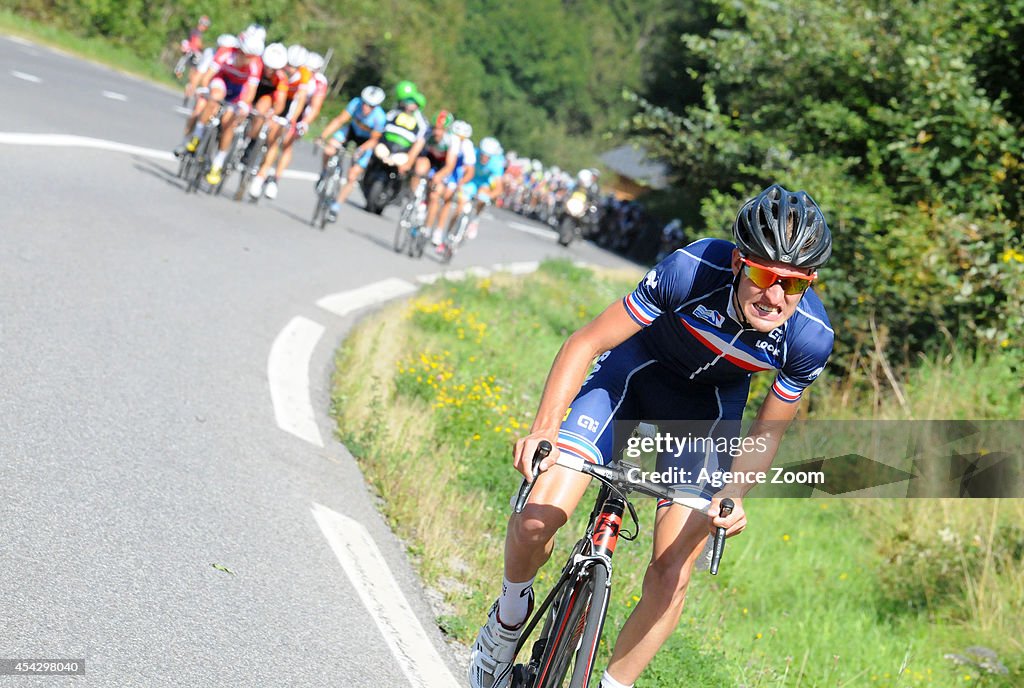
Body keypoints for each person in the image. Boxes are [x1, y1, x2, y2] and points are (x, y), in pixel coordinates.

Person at [468, 184, 835, 688]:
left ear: (809, 283)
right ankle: (507, 623)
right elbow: (587, 342)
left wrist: (733, 495)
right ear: (736, 264)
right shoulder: (691, 270)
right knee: (536, 520)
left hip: (704, 414)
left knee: (672, 574)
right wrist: (544, 431)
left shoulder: (810, 337)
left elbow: (768, 431)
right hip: (631, 376)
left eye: (792, 285)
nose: (774, 296)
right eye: (762, 275)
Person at [316, 85, 388, 221]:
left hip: (366, 141)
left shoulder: (380, 117)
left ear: (376, 106)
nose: (366, 107)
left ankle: (336, 206)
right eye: (365, 103)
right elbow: (339, 120)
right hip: (351, 132)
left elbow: (374, 140)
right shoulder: (355, 104)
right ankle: (325, 173)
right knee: (329, 148)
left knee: (352, 175)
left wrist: (360, 150)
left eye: (371, 106)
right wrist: (322, 136)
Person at [423, 119, 476, 248]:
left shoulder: (467, 146)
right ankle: (426, 223)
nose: (459, 139)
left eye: (462, 138)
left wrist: (461, 182)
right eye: (457, 136)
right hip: (442, 167)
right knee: (434, 195)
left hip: (454, 174)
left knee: (447, 198)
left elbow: (470, 170)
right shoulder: (447, 140)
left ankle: (439, 231)